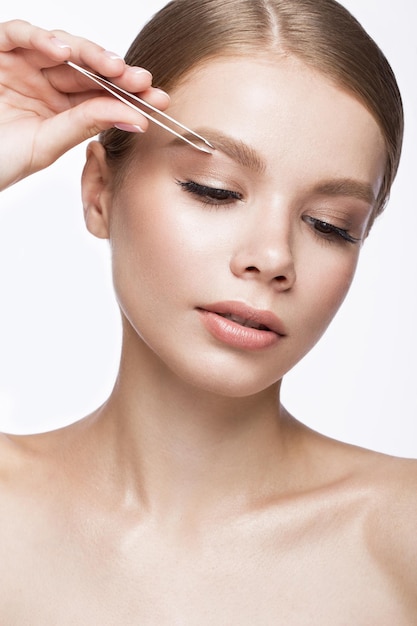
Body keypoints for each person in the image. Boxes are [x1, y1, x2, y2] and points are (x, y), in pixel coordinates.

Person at [0, 0, 416, 622]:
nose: (273, 257)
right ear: (98, 191)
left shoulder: (400, 533)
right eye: (214, 190)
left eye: (331, 226)